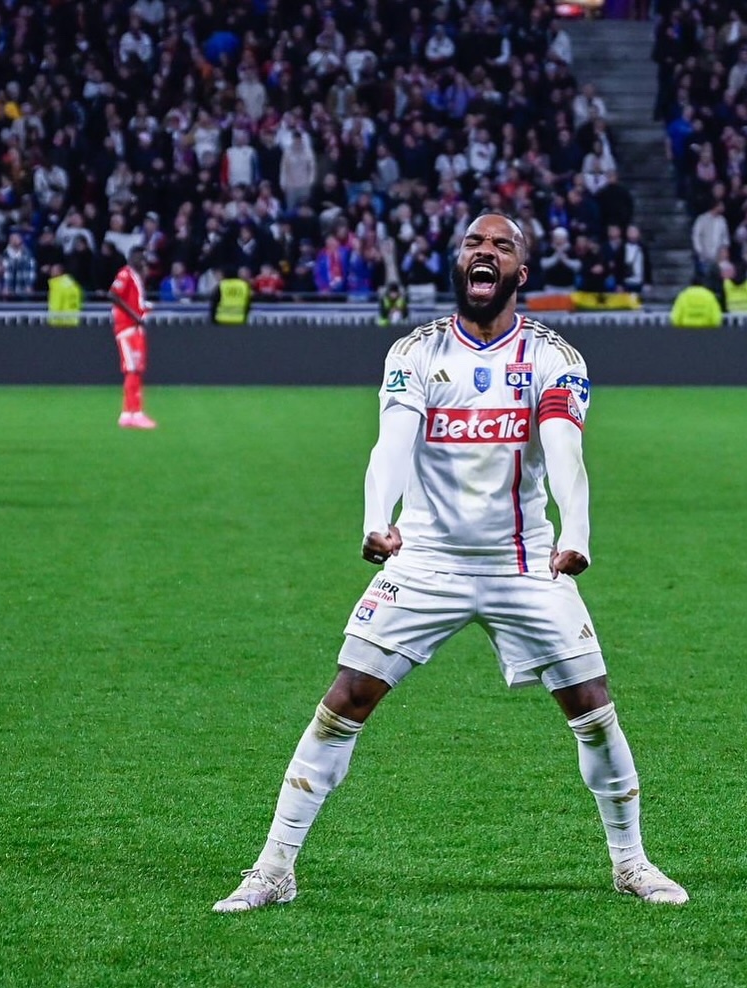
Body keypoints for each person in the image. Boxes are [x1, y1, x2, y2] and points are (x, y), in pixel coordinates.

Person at [212, 212, 689, 914]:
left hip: (525, 563)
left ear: (519, 272)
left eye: (501, 246)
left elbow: (565, 456)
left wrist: (577, 532)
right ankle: (275, 868)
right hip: (426, 559)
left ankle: (631, 863)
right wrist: (377, 519)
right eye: (474, 243)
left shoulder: (555, 357)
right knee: (346, 700)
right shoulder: (416, 352)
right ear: (460, 263)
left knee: (593, 708)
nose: (484, 252)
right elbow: (391, 445)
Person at [108, 245, 157, 429]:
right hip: (127, 327)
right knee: (132, 369)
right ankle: (134, 413)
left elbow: (134, 302)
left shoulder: (136, 277)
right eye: (141, 257)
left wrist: (144, 310)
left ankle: (129, 413)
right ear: (133, 257)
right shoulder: (125, 274)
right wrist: (134, 315)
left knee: (136, 369)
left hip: (135, 328)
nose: (144, 261)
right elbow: (113, 294)